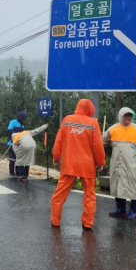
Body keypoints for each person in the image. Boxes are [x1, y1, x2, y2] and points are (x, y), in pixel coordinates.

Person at [50, 99, 106, 231]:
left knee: (59, 195)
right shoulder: (93, 123)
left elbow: (59, 140)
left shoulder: (67, 120)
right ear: (90, 109)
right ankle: (87, 223)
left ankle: (55, 221)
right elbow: (98, 145)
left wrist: (56, 157)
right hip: (87, 166)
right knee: (89, 196)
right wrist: (100, 162)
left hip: (69, 164)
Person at [103, 107, 136, 220]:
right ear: (121, 116)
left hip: (132, 164)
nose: (128, 118)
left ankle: (134, 211)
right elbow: (103, 140)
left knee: (132, 186)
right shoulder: (112, 129)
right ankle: (120, 209)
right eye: (125, 115)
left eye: (130, 116)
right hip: (116, 163)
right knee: (117, 185)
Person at [6, 111, 27, 176]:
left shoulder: (22, 125)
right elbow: (9, 130)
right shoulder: (13, 122)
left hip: (19, 144)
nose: (23, 120)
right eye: (23, 118)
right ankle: (11, 172)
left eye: (24, 118)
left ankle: (18, 172)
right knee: (12, 159)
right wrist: (14, 137)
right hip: (12, 143)